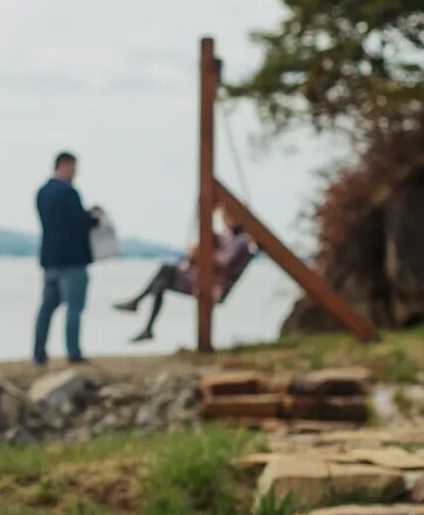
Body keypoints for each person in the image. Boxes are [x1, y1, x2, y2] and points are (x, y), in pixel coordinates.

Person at [114, 224, 257, 342]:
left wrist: (204, 253)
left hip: (210, 285)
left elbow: (225, 264)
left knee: (165, 273)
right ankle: (144, 320)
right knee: (163, 278)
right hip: (201, 279)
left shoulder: (241, 242)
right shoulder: (231, 238)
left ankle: (140, 311)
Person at [33, 151, 103, 366]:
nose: (76, 173)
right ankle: (73, 353)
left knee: (46, 309)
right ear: (64, 165)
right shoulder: (68, 193)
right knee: (74, 309)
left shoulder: (42, 193)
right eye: (74, 168)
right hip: (72, 260)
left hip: (50, 259)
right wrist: (93, 218)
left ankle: (39, 354)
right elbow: (79, 223)